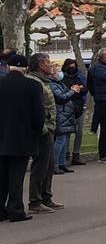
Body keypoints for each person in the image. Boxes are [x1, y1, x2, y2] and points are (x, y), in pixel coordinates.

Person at [0, 55, 45, 222]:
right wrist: (38, 129)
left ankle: (0, 209)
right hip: (22, 136)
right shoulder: (32, 85)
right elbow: (37, 113)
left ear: (7, 67)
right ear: (25, 68)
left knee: (2, 174)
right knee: (16, 175)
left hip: (1, 135)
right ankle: (16, 209)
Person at [27, 54, 62, 214]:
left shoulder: (45, 81)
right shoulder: (34, 82)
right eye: (48, 62)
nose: (51, 65)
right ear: (40, 65)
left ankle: (46, 196)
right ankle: (35, 200)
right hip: (42, 128)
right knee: (41, 164)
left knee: (49, 165)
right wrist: (43, 127)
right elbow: (36, 107)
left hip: (50, 126)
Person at [52, 60, 85, 172]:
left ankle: (61, 163)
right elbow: (62, 97)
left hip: (67, 112)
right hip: (61, 112)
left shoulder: (59, 83)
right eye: (57, 70)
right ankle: (55, 164)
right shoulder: (53, 84)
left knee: (65, 139)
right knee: (60, 140)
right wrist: (73, 91)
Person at [60, 59, 88, 167]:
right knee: (67, 133)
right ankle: (66, 156)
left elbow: (84, 89)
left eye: (74, 66)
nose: (72, 68)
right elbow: (65, 92)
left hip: (79, 108)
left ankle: (76, 154)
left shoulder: (78, 77)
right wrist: (73, 90)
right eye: (70, 66)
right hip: (68, 108)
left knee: (79, 132)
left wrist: (79, 89)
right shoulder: (63, 78)